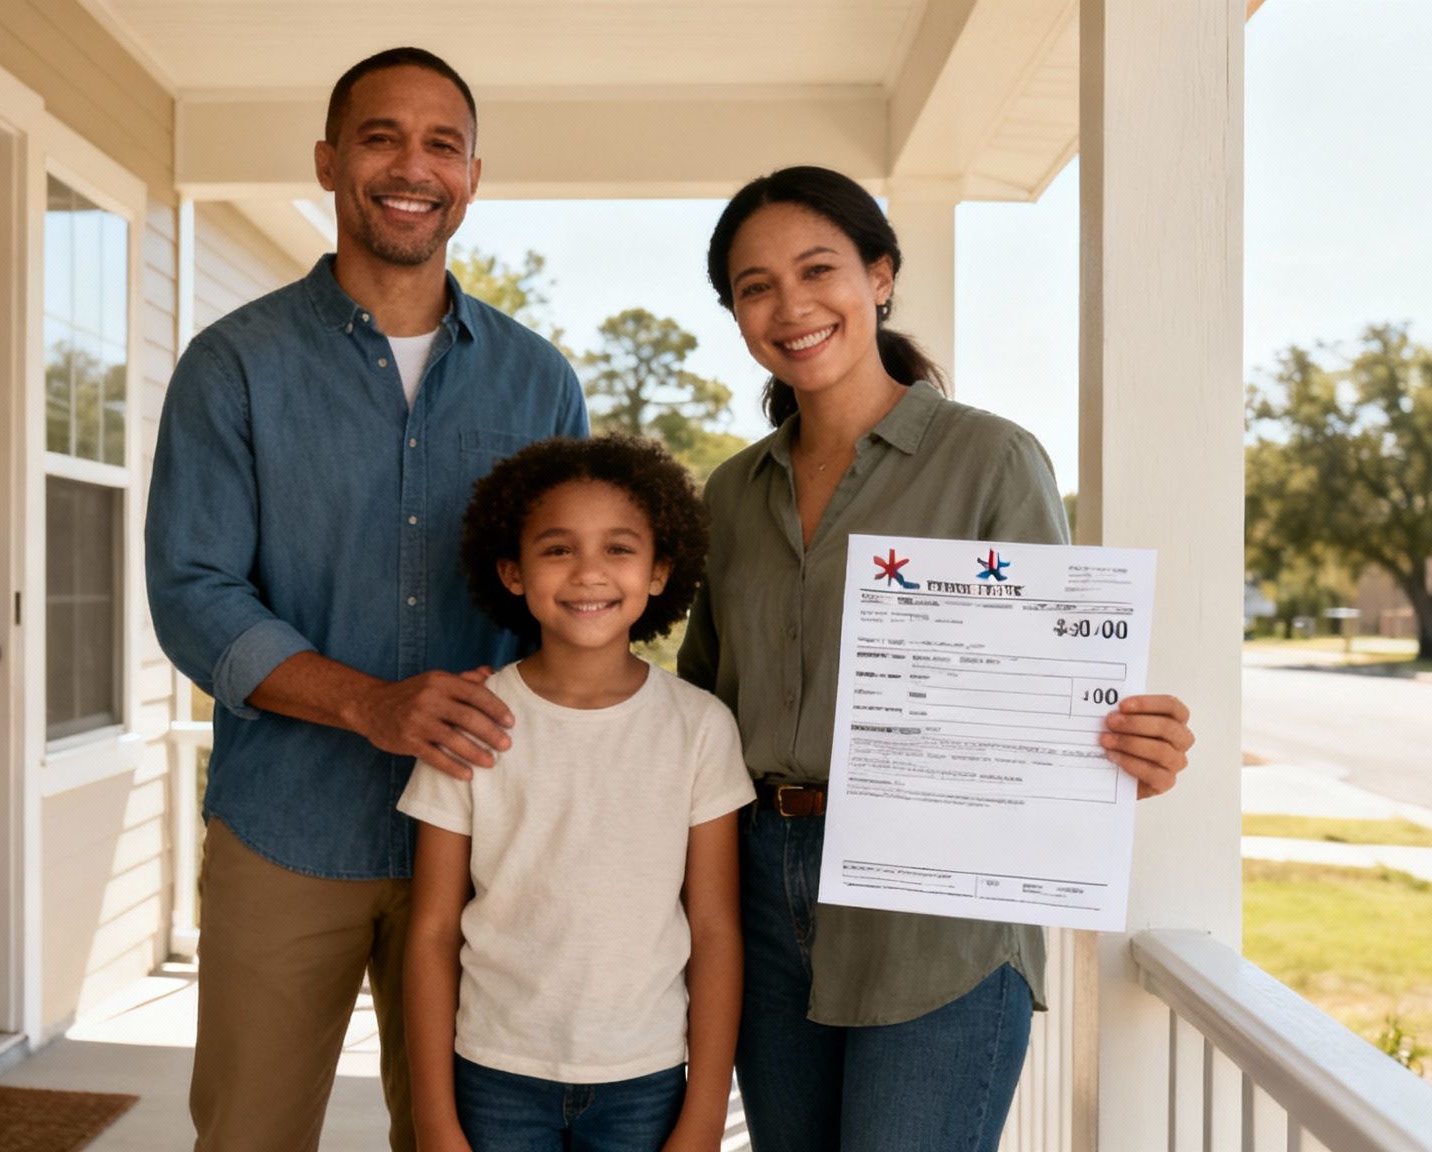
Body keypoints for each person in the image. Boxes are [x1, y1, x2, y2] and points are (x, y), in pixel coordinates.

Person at [678, 166, 1197, 1151]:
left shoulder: (990, 460)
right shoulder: (731, 495)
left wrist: (1124, 748)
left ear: (878, 275)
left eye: (816, 268)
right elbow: (700, 709)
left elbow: (1046, 687)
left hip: (937, 897)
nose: (788, 306)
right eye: (754, 287)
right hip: (755, 889)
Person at [145, 48, 588, 1152]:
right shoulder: (232, 365)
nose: (411, 165)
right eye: (381, 136)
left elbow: (575, 601)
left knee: (467, 1140)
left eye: (442, 143)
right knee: (249, 1134)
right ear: (329, 161)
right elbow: (192, 591)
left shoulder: (539, 381)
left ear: (472, 177)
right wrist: (369, 706)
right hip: (287, 830)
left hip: (487, 838)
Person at [400, 436, 751, 1152]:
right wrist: (433, 1118)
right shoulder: (470, 722)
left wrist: (706, 1112)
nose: (589, 572)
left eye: (619, 549)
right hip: (494, 1074)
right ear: (513, 571)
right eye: (558, 549)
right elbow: (434, 929)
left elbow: (714, 930)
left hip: (646, 1078)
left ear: (659, 572)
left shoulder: (699, 728)